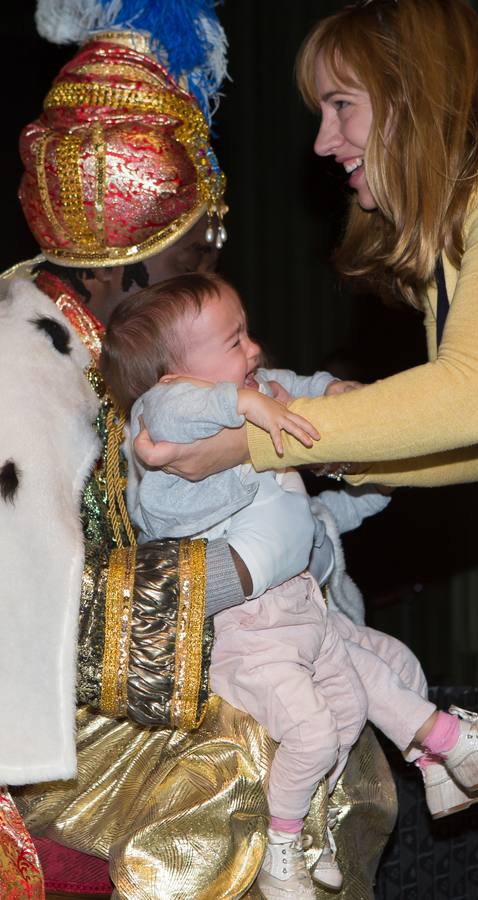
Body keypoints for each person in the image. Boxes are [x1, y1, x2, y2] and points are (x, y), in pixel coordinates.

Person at [133, 3, 478, 898]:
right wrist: (334, 455)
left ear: (412, 97)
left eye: (341, 106)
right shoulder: (476, 216)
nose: (323, 141)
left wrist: (253, 442)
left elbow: (470, 395)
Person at [0, 6, 396, 899]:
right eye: (196, 249)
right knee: (242, 772)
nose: (214, 264)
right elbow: (39, 613)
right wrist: (243, 570)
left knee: (339, 701)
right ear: (128, 269)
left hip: (165, 670)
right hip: (74, 719)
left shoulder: (128, 340)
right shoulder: (22, 367)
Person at [102, 270, 478, 897]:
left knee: (390, 666)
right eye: (234, 342)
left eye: (247, 333)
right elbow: (176, 407)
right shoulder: (162, 419)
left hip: (295, 608)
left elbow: (294, 392)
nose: (253, 350)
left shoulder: (243, 397)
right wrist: (244, 405)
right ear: (174, 372)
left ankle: (440, 762)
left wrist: (333, 391)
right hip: (244, 624)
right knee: (326, 721)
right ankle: (306, 834)